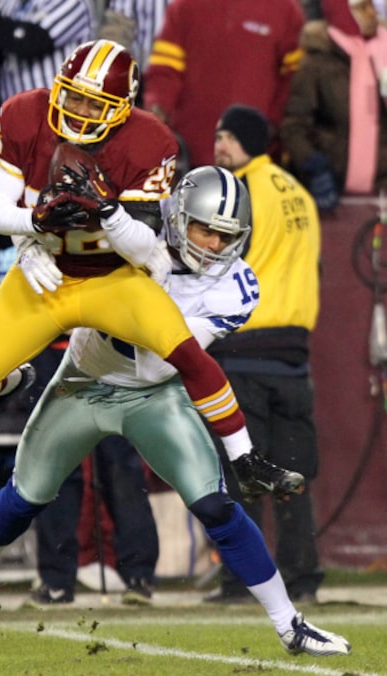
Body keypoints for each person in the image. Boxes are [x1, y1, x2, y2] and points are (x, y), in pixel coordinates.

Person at [0, 166, 351, 658]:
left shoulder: (235, 287)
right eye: (206, 229)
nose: (216, 245)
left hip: (156, 394)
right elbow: (54, 230)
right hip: (83, 382)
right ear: (177, 217)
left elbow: (166, 353)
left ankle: (291, 624)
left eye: (227, 236)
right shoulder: (133, 231)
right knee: (27, 495)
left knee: (216, 505)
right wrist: (34, 246)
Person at [0, 38, 298, 511]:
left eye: (95, 101)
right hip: (43, 277)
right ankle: (12, 380)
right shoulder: (26, 115)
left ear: (122, 108)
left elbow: (146, 247)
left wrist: (107, 210)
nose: (79, 109)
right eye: (73, 95)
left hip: (114, 277)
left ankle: (246, 459)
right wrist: (33, 229)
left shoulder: (149, 142)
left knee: (185, 354)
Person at [207, 104, 325, 605]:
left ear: (249, 142)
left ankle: (243, 581)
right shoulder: (299, 192)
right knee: (293, 476)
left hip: (247, 346)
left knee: (244, 476)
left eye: (229, 137)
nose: (219, 146)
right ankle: (303, 580)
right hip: (294, 354)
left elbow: (215, 259)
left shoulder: (239, 192)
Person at [143, 0, 305, 168]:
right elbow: (165, 69)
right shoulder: (184, 6)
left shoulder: (286, 10)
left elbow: (294, 80)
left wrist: (270, 125)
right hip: (190, 153)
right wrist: (157, 110)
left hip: (255, 160)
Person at [280, 0, 387, 212]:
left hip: (381, 189)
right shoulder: (318, 63)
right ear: (343, 13)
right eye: (363, 8)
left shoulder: (383, 55)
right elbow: (294, 125)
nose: (372, 14)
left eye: (372, 7)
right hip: (332, 189)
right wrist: (313, 165)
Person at [29, 433, 159, 607]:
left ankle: (139, 576)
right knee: (57, 466)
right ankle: (55, 579)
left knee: (119, 464)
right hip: (61, 406)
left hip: (111, 406)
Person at [0, 0, 95, 101]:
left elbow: (31, 42)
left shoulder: (74, 2)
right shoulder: (8, 2)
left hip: (56, 109)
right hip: (14, 111)